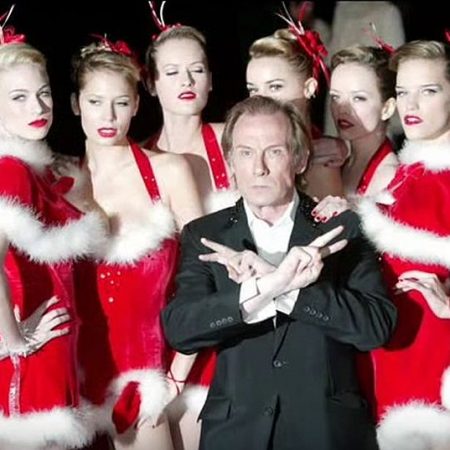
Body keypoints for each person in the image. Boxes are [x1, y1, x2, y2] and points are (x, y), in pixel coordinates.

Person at [162, 95, 397, 450]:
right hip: (235, 434)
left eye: (273, 152)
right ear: (230, 161)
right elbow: (181, 329)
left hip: (326, 432)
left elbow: (376, 327)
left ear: (300, 159)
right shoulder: (205, 235)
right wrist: (270, 285)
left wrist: (292, 291)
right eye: (245, 153)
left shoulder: (340, 228)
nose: (258, 168)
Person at [69, 36, 202, 450]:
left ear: (137, 105)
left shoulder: (169, 171)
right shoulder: (59, 181)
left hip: (150, 381)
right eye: (95, 102)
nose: (108, 116)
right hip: (74, 383)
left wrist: (178, 372)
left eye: (121, 103)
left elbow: (206, 274)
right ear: (75, 104)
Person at [0, 14, 106, 450]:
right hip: (31, 362)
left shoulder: (37, 170)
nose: (38, 108)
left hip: (54, 353)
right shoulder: (11, 170)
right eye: (19, 97)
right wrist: (15, 340)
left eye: (43, 93)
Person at [143, 7, 238, 448]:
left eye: (196, 70)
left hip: (232, 329)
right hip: (161, 335)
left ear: (211, 79)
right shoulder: (135, 158)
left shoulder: (237, 141)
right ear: (150, 83)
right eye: (172, 72)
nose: (186, 81)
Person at [356, 39, 450, 450]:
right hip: (392, 351)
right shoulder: (409, 171)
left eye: (428, 91)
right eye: (402, 92)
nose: (410, 104)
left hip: (433, 358)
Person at [246, 17, 346, 200]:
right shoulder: (241, 144)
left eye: (275, 87)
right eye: (253, 89)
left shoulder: (322, 164)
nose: (261, 99)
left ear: (309, 88)